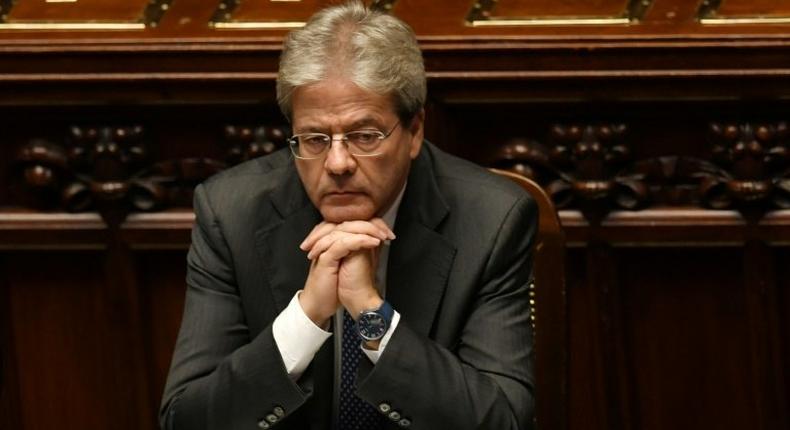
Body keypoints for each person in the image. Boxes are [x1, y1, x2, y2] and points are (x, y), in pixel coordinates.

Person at [160, 2, 536, 429]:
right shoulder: (231, 213)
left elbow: (504, 421)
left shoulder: (491, 219)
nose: (338, 163)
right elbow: (184, 420)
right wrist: (305, 318)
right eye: (315, 138)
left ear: (414, 133)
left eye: (364, 135)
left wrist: (370, 311)